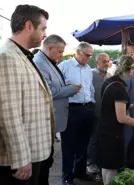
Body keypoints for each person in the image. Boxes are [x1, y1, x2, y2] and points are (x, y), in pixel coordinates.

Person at [0, 5, 53, 185]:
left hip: (34, 151)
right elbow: (8, 113)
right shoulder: (7, 57)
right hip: (21, 160)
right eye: (43, 28)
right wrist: (21, 159)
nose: (45, 34)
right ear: (29, 26)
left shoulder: (21, 55)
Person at [96, 55, 134, 185]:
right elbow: (122, 118)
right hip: (113, 135)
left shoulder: (110, 81)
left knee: (106, 166)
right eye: (133, 69)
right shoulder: (120, 89)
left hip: (104, 130)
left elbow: (112, 103)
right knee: (112, 168)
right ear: (129, 70)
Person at [33, 35, 81, 185]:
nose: (61, 55)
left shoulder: (48, 61)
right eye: (60, 51)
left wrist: (66, 84)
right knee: (44, 162)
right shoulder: (40, 63)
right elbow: (49, 92)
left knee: (47, 160)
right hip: (46, 119)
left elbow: (54, 84)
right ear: (49, 48)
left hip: (52, 118)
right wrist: (70, 89)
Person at [58, 42, 95, 185]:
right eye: (87, 55)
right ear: (78, 52)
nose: (89, 58)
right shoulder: (65, 66)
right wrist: (69, 88)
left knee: (83, 144)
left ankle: (80, 172)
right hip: (71, 109)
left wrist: (92, 102)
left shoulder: (87, 69)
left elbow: (89, 88)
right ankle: (67, 176)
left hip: (87, 109)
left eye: (91, 55)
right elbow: (57, 87)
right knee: (68, 145)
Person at [87, 53, 112, 178]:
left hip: (107, 115)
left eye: (108, 61)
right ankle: (91, 163)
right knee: (93, 139)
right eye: (103, 61)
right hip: (94, 113)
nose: (106, 63)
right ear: (97, 62)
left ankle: (99, 163)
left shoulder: (110, 76)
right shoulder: (90, 74)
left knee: (102, 140)